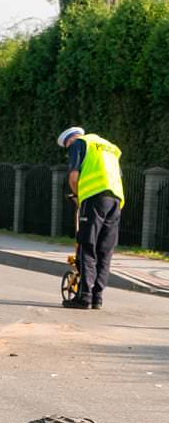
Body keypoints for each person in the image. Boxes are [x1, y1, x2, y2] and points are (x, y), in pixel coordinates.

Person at [57, 126, 125, 310]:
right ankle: (97, 297)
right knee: (105, 250)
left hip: (94, 198)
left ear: (70, 140)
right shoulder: (110, 147)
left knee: (87, 246)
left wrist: (78, 197)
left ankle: (83, 297)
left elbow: (73, 177)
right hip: (116, 200)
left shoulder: (79, 143)